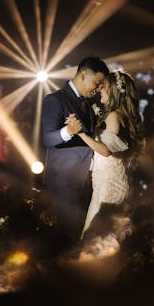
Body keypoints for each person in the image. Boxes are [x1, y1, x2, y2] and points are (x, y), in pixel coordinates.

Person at [41, 56, 109, 246]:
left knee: (79, 231)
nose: (97, 89)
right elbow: (47, 138)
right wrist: (67, 131)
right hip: (62, 177)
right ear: (83, 75)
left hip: (83, 179)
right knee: (68, 232)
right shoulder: (55, 100)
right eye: (96, 83)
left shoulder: (87, 104)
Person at [71, 70, 145, 239]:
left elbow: (105, 150)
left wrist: (80, 133)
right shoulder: (118, 116)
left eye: (103, 87)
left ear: (113, 91)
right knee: (104, 239)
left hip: (109, 185)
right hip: (108, 183)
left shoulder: (113, 116)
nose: (100, 91)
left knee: (95, 239)